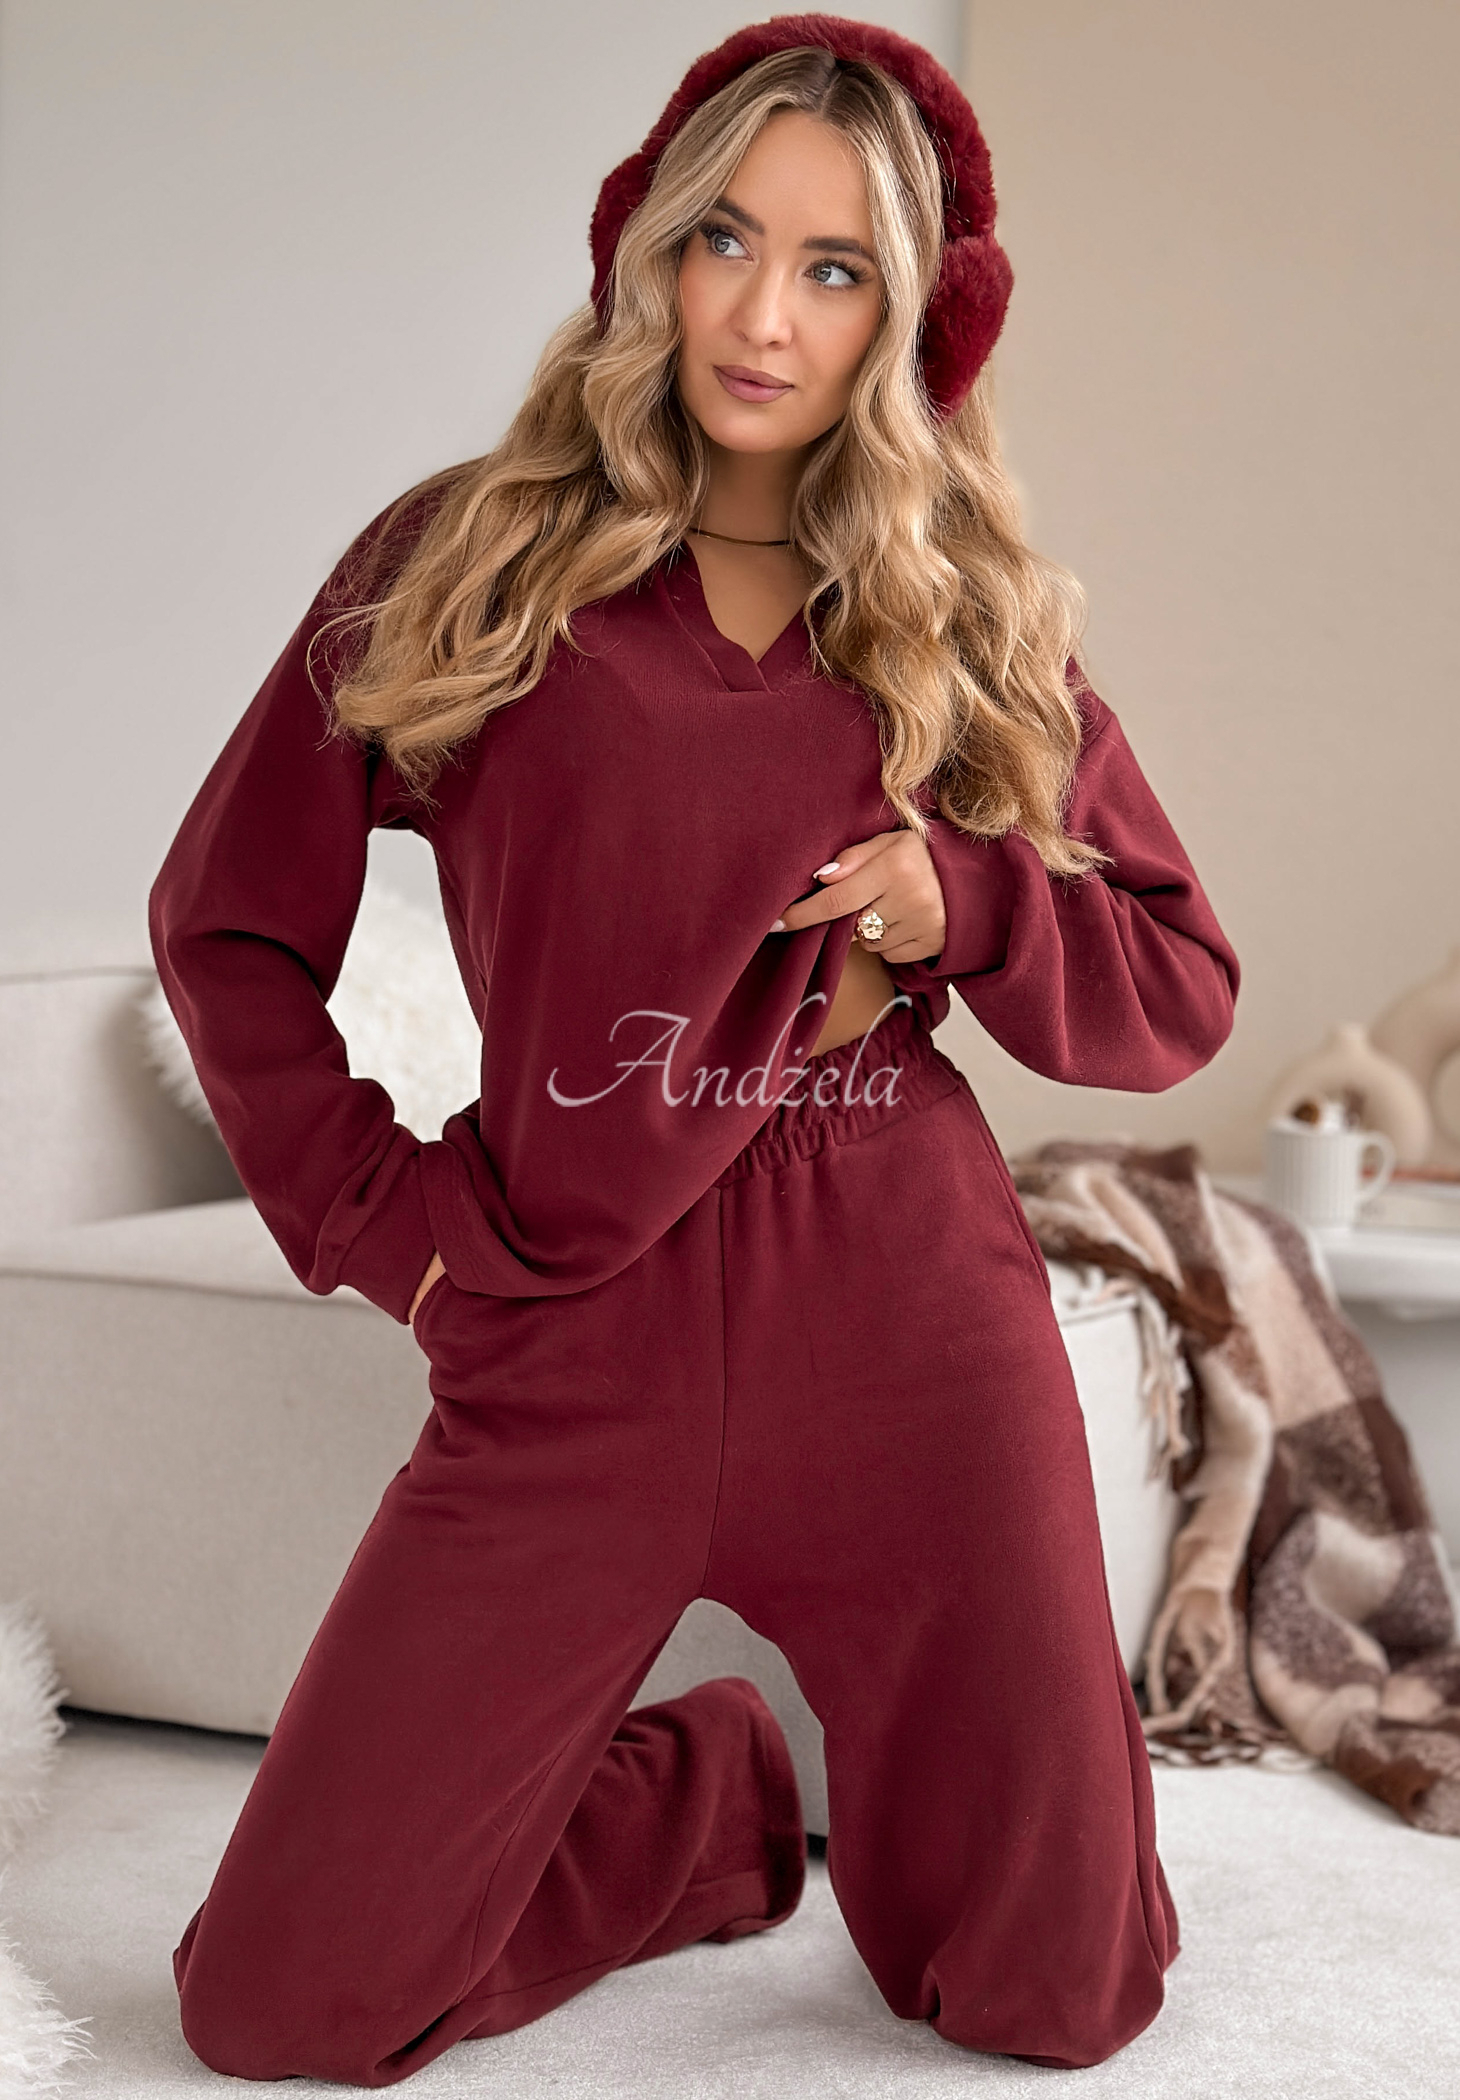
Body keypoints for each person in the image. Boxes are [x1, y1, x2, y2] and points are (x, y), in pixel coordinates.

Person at [149, 15, 1239, 2087]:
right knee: (276, 2008)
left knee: (1056, 1995)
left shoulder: (959, 611)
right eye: (725, 239)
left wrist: (965, 898)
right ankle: (706, 1804)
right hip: (571, 1320)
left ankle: (937, 1830)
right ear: (646, 247)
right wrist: (387, 1226)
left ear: (905, 320)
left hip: (908, 1314)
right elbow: (225, 921)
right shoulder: (468, 560)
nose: (761, 316)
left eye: (835, 270)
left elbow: (1179, 977)